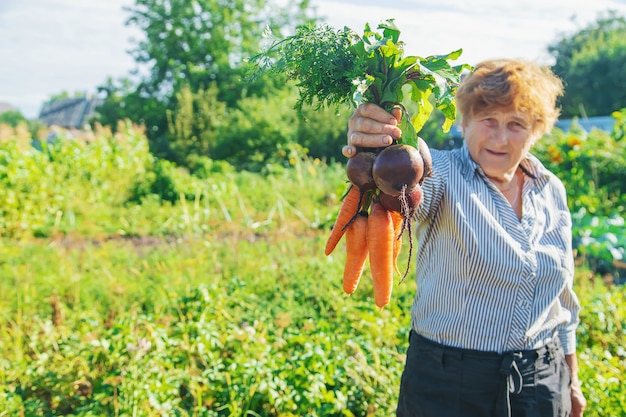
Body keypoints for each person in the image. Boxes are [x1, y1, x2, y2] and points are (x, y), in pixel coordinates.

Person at [343, 59, 587, 417]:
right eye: (488, 120)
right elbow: (407, 179)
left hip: (542, 381)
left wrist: (572, 379)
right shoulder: (439, 174)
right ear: (465, 122)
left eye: (516, 124)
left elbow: (563, 300)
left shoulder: (551, 189)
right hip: (448, 384)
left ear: (536, 130)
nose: (500, 138)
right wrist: (374, 144)